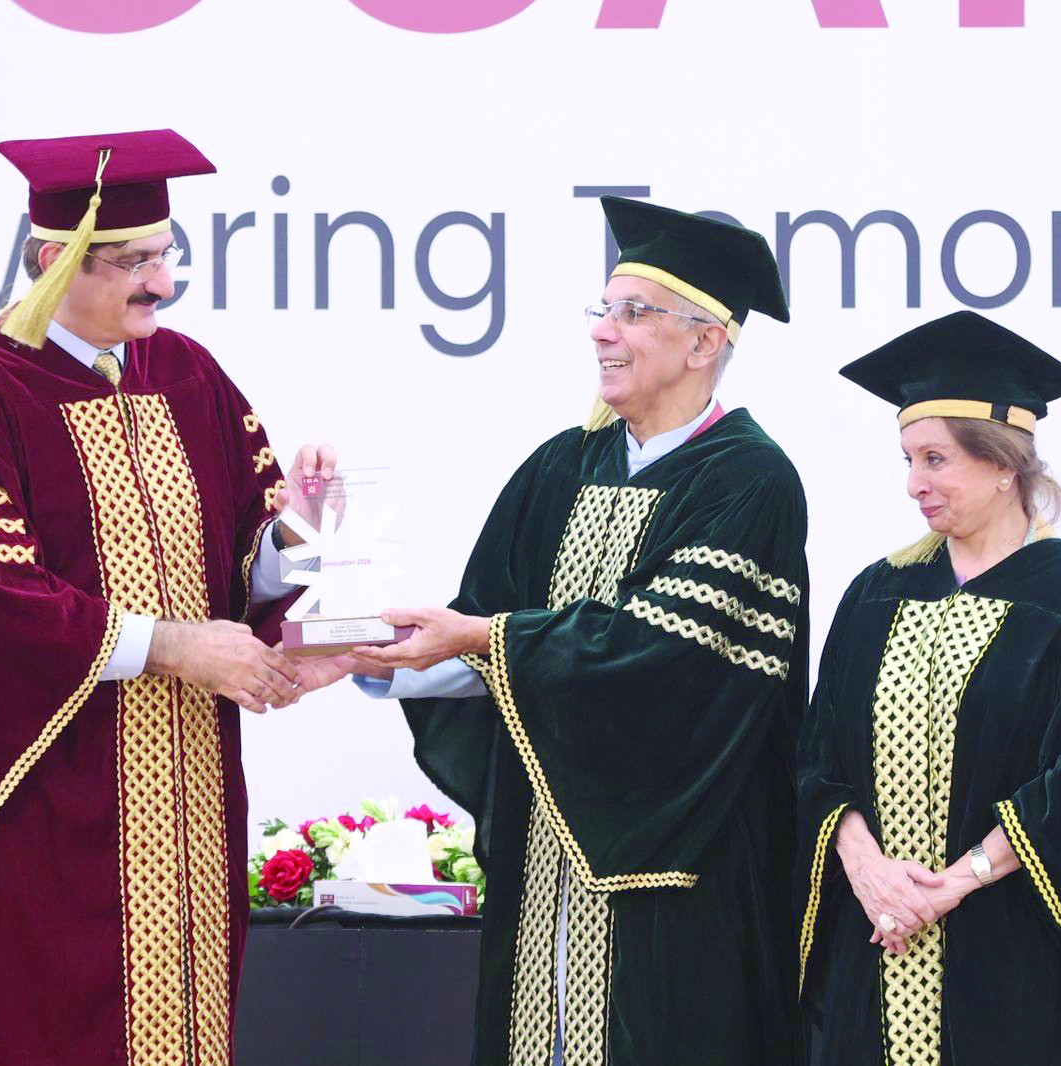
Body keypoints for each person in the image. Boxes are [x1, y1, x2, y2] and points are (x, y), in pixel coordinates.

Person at [0, 129, 336, 1066]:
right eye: (135, 263)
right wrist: (165, 645)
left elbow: (239, 564)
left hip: (186, 788)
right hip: (38, 812)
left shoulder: (188, 373)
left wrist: (294, 535)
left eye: (167, 256)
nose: (162, 284)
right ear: (53, 260)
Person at [304, 197, 810, 1065]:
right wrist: (383, 655)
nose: (602, 332)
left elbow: (662, 654)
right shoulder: (560, 466)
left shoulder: (751, 482)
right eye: (602, 309)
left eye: (633, 313)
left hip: (678, 867)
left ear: (705, 342)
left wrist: (473, 638)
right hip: (546, 858)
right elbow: (486, 620)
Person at [795, 310, 1061, 1065]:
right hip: (874, 944)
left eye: (935, 460)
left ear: (1005, 464)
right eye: (907, 459)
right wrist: (869, 869)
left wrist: (957, 880)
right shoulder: (877, 595)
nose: (914, 485)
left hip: (1015, 965)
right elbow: (817, 759)